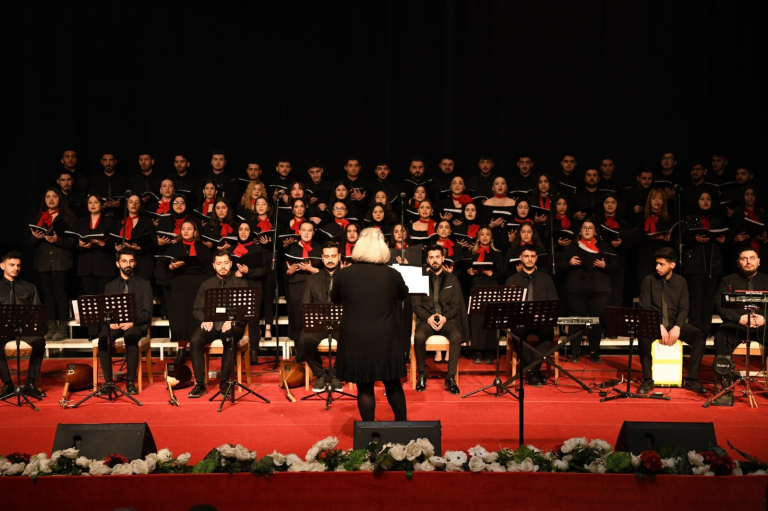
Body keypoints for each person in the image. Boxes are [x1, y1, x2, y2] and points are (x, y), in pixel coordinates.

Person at [330, 228, 408, 421]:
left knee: (364, 387)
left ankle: (368, 432)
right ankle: (402, 427)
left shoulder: (344, 274)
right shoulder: (392, 274)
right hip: (385, 336)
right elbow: (403, 294)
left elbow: (335, 298)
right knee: (393, 384)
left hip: (356, 337)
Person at [637, 247, 707, 395]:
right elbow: (645, 307)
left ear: (672, 265)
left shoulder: (681, 282)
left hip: (674, 323)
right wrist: (658, 325)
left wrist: (677, 327)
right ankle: (648, 379)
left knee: (700, 336)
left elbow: (684, 308)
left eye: (662, 264)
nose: (657, 267)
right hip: (654, 323)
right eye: (656, 263)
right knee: (643, 335)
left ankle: (692, 379)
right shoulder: (649, 280)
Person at [187, 250, 250, 398]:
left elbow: (246, 309)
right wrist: (204, 319)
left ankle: (224, 383)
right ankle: (200, 384)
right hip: (212, 324)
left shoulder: (241, 283)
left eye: (226, 263)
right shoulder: (206, 284)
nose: (223, 267)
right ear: (214, 265)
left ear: (231, 264)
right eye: (219, 264)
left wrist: (233, 321)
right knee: (195, 340)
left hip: (234, 324)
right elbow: (197, 309)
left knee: (229, 337)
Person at [557, 220, 616, 364]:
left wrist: (604, 265)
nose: (587, 230)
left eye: (590, 228)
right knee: (576, 319)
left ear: (595, 231)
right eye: (584, 228)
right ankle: (575, 352)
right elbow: (560, 265)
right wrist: (569, 263)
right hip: (576, 289)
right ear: (580, 231)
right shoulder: (572, 247)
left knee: (595, 321)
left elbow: (615, 265)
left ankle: (595, 352)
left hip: (599, 289)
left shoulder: (603, 246)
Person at [97, 249, 153, 395]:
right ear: (117, 264)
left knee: (131, 338)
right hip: (115, 323)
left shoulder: (144, 284)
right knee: (103, 340)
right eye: (124, 261)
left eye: (130, 261)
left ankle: (130, 382)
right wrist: (109, 322)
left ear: (135, 263)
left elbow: (147, 312)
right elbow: (104, 310)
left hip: (135, 324)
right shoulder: (110, 286)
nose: (127, 264)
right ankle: (108, 383)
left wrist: (133, 322)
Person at [411, 245, 463, 394]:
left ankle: (450, 377)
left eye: (437, 257)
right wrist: (428, 318)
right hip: (426, 320)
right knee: (419, 337)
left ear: (442, 258)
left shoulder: (453, 279)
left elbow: (456, 306)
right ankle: (422, 374)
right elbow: (415, 305)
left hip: (446, 319)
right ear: (427, 260)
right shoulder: (419, 279)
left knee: (456, 336)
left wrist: (445, 317)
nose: (435, 260)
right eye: (431, 257)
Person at [505, 247, 558, 386]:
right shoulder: (512, 280)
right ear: (521, 258)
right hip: (521, 320)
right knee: (518, 334)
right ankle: (534, 372)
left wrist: (541, 314)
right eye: (526, 256)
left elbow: (552, 302)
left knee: (547, 333)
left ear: (536, 258)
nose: (529, 259)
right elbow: (508, 306)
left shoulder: (546, 279)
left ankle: (531, 371)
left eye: (532, 256)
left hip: (541, 320)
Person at [30, 187, 76, 342]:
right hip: (43, 262)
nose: (50, 199)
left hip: (60, 261)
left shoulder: (67, 218)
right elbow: (30, 241)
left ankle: (62, 328)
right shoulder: (39, 217)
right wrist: (35, 238)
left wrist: (58, 240)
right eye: (48, 196)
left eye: (54, 196)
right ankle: (51, 328)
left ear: (59, 199)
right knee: (47, 295)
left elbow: (74, 242)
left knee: (60, 293)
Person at [0, 251, 46, 400]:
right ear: (2, 266)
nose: (15, 268)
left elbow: (37, 311)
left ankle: (30, 383)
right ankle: (7, 384)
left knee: (39, 340)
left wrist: (33, 325)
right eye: (11, 265)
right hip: (3, 329)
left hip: (23, 328)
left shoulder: (29, 287)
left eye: (18, 265)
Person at [298, 241, 344, 392]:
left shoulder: (347, 278)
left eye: (333, 256)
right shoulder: (312, 279)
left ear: (339, 257)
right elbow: (304, 305)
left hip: (341, 323)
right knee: (305, 341)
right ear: (322, 258)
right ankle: (321, 374)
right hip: (318, 323)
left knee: (352, 338)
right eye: (327, 256)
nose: (330, 260)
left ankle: (337, 373)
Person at [681, 191, 727, 333]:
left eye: (708, 199)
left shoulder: (718, 219)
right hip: (695, 262)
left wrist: (724, 240)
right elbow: (682, 239)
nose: (705, 201)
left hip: (713, 263)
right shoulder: (689, 218)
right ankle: (696, 330)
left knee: (708, 297)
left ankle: (706, 330)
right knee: (696, 296)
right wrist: (695, 239)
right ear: (697, 201)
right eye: (702, 199)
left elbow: (727, 237)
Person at [714, 247, 768, 357]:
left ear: (759, 261)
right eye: (744, 259)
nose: (748, 262)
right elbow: (719, 305)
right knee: (721, 334)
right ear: (738, 263)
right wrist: (739, 319)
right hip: (737, 325)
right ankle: (724, 373)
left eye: (752, 258)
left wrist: (765, 319)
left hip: (764, 325)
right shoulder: (727, 280)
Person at [468, 226, 504, 364]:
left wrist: (491, 274)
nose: (484, 237)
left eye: (487, 234)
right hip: (476, 287)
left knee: (491, 319)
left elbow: (501, 273)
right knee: (477, 320)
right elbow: (466, 269)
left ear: (491, 237)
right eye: (482, 234)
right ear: (478, 237)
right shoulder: (472, 253)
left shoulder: (497, 254)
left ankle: (489, 351)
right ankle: (477, 351)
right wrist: (470, 271)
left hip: (492, 287)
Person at [285, 221, 321, 340]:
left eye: (309, 230)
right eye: (303, 230)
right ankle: (299, 353)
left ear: (313, 232)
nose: (306, 233)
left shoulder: (318, 248)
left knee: (312, 318)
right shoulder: (292, 248)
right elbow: (285, 271)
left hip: (313, 285)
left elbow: (324, 271)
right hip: (296, 285)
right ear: (299, 231)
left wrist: (311, 269)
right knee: (297, 318)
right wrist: (289, 272)